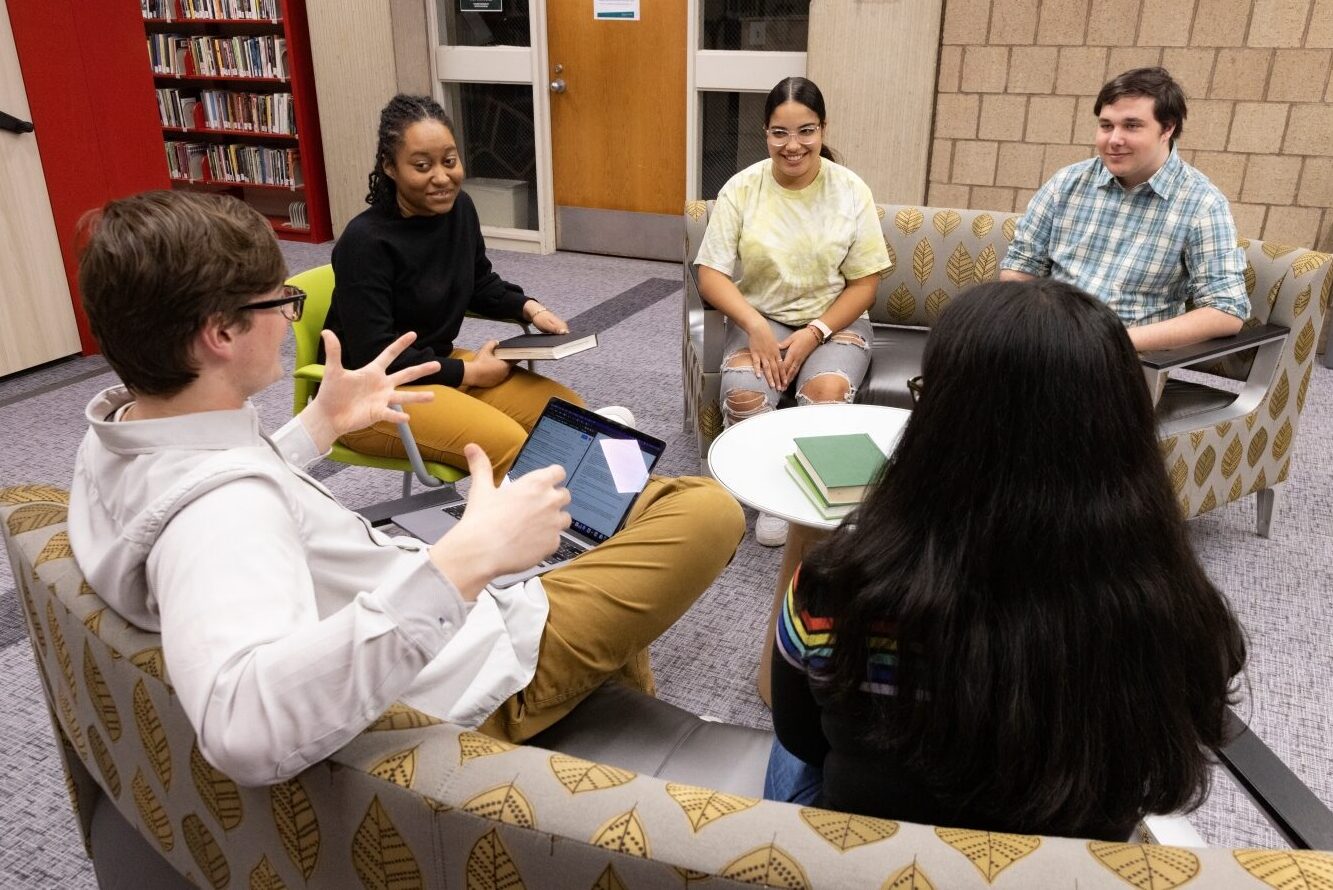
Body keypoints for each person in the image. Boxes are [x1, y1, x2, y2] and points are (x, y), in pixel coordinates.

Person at [67, 190, 744, 786]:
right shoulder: (222, 516)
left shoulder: (120, 432)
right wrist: (466, 561)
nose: (286, 317)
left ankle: (614, 690)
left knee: (597, 509)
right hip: (476, 666)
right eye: (280, 301)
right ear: (218, 333)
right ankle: (584, 685)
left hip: (414, 608)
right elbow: (244, 731)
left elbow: (212, 491)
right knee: (704, 508)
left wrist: (316, 428)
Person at [767, 279, 1247, 840]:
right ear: (1123, 427)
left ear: (943, 423)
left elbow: (801, 737)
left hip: (874, 860)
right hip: (1065, 870)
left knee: (786, 748)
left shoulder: (836, 586)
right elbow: (1163, 762)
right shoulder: (1177, 609)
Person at [324, 94, 599, 484]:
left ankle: (587, 525)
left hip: (436, 365)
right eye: (422, 166)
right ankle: (526, 539)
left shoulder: (460, 210)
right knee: (509, 443)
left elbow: (479, 282)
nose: (441, 177)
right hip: (367, 396)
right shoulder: (364, 242)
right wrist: (469, 373)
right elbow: (375, 357)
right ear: (389, 167)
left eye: (449, 161)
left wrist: (529, 308)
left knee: (570, 416)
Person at [694, 76, 891, 547]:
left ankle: (811, 495)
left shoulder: (849, 189)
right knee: (745, 397)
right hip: (761, 319)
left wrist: (815, 332)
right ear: (765, 133)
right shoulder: (742, 188)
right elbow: (711, 274)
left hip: (833, 319)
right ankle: (770, 500)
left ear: (822, 129)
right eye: (780, 133)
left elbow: (865, 284)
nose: (793, 145)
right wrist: (755, 325)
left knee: (826, 395)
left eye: (806, 131)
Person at [1000, 67, 1249, 352]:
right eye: (1106, 125)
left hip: (1125, 359)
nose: (1114, 140)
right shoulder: (1066, 183)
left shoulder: (1201, 203)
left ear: (1167, 128)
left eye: (1131, 126)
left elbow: (1226, 311)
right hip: (1049, 343)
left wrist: (1112, 342)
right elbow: (1020, 270)